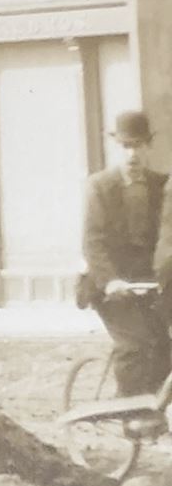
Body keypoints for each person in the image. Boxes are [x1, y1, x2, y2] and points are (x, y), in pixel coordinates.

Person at [81, 109, 168, 398]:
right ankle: (130, 409)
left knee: (163, 344)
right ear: (115, 146)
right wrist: (111, 281)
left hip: (149, 284)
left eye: (139, 145)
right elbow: (93, 242)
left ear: (149, 146)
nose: (132, 155)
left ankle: (156, 407)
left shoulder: (161, 185)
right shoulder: (100, 186)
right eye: (126, 146)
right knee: (134, 344)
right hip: (112, 287)